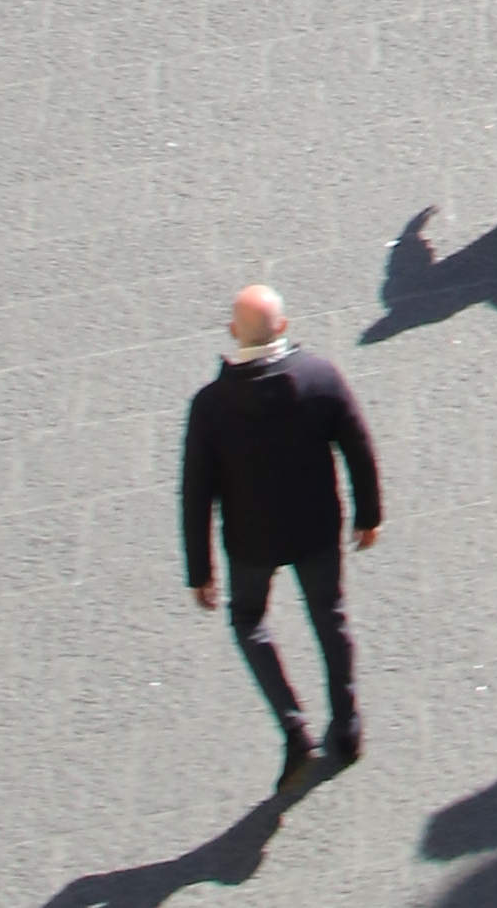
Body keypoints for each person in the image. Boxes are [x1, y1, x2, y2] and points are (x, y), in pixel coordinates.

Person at [181, 283, 382, 795]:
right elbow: (358, 446)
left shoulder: (211, 405)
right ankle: (348, 722)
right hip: (316, 529)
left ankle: (294, 728)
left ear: (232, 334)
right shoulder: (319, 377)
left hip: (251, 542)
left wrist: (200, 571)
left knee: (248, 620)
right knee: (330, 618)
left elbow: (196, 492)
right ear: (285, 328)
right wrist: (368, 513)